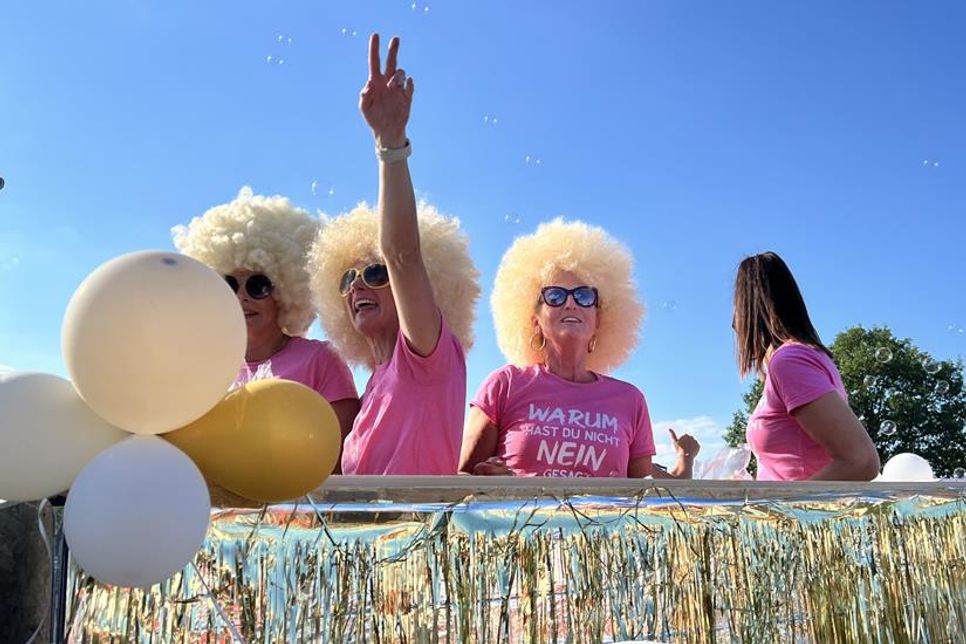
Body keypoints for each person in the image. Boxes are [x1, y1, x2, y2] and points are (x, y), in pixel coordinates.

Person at [308, 34, 480, 475]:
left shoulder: (428, 357)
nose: (358, 285)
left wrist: (390, 144)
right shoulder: (371, 389)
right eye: (347, 279)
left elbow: (403, 253)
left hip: (415, 543)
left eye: (374, 273)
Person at [460, 219, 683, 479]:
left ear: (599, 321)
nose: (570, 304)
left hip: (603, 521)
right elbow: (458, 480)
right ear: (535, 321)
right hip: (518, 521)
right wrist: (492, 485)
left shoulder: (631, 400)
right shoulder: (505, 385)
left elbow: (643, 501)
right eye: (555, 296)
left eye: (584, 296)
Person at [172, 187, 360, 469]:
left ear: (285, 292)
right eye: (229, 285)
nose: (242, 297)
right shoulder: (209, 372)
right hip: (226, 512)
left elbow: (340, 458)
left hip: (299, 508)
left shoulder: (320, 360)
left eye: (258, 285)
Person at [734, 251, 880, 480]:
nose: (734, 322)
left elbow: (861, 460)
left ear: (752, 309)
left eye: (738, 306)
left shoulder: (790, 362)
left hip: (798, 515)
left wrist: (789, 510)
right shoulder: (801, 359)